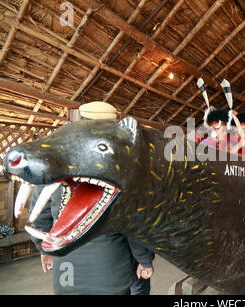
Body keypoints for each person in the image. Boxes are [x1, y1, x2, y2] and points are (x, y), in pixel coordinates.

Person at [30, 101, 155, 295]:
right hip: (111, 274)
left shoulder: (56, 160)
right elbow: (134, 223)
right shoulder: (121, 164)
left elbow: (39, 216)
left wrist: (45, 249)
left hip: (66, 273)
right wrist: (144, 260)